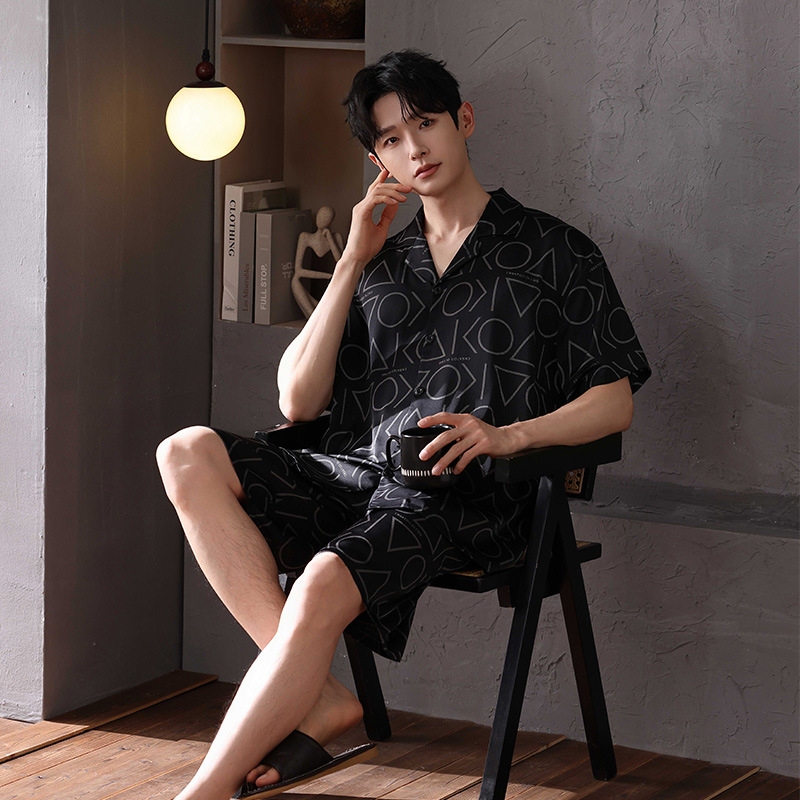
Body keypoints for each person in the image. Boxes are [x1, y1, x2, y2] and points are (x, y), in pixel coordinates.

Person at [156, 49, 652, 800]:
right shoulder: (382, 260)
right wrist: (352, 259)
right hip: (357, 479)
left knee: (321, 579)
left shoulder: (555, 251)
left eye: (425, 123)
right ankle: (320, 696)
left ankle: (202, 794)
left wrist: (509, 436)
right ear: (377, 160)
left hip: (466, 494)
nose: (415, 147)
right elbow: (297, 402)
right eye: (391, 138)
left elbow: (615, 401)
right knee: (186, 451)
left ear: (464, 120)